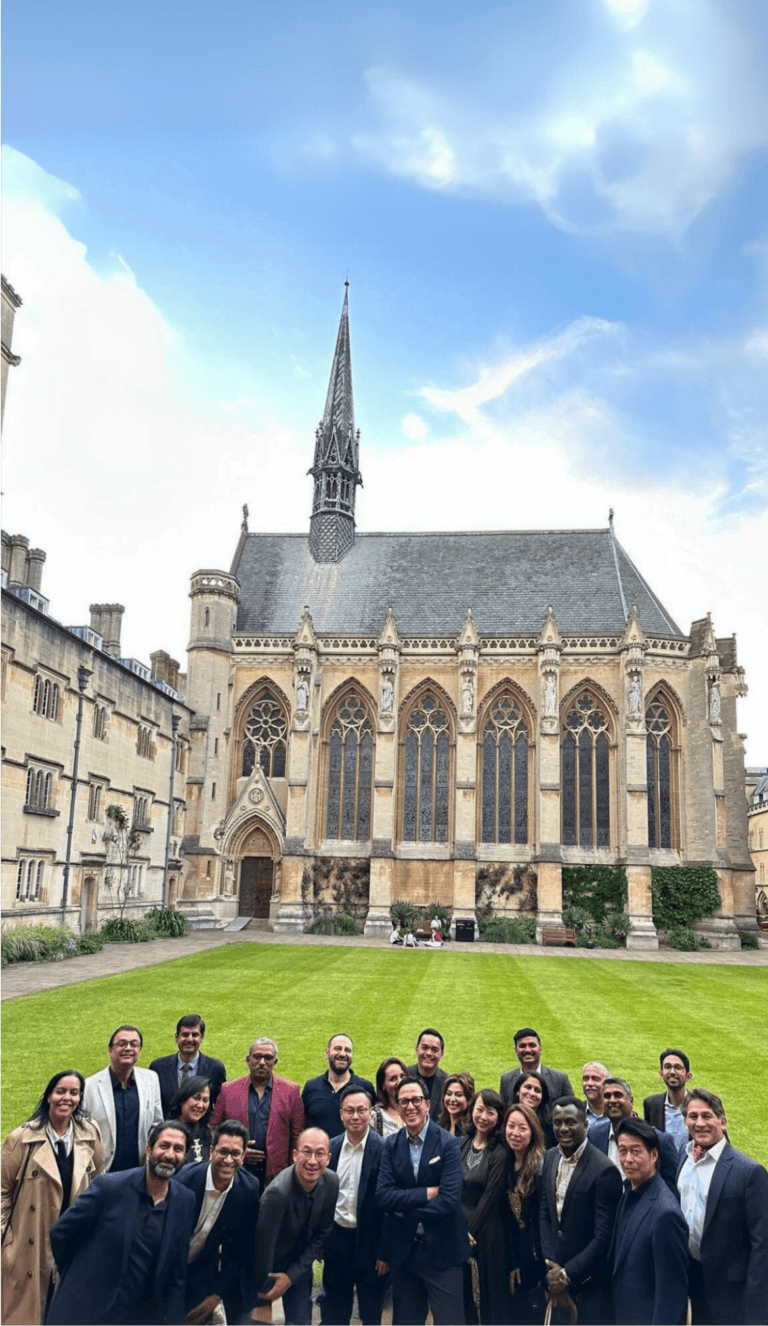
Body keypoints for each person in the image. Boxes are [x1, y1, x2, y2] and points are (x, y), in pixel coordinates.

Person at [47, 1120, 197, 1325]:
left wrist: (172, 1316)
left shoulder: (185, 1201)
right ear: (149, 1150)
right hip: (83, 1311)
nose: (170, 1155)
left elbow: (178, 1265)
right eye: (164, 1146)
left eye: (178, 1149)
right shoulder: (109, 1187)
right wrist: (76, 1276)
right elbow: (61, 1234)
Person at [1, 1070, 104, 1326]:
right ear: (48, 1096)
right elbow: (2, 1190)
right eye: (61, 1091)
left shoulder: (90, 1134)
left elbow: (98, 1183)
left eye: (74, 1093)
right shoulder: (22, 1138)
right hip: (28, 1243)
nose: (67, 1098)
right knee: (28, 1313)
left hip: (71, 1240)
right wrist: (6, 1241)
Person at [376, 1076, 470, 1326]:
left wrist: (404, 1210)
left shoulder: (448, 1143)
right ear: (397, 1107)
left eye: (416, 1100)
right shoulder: (391, 1145)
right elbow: (383, 1196)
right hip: (405, 1253)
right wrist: (426, 1193)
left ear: (427, 1104)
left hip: (444, 1251)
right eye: (403, 1101)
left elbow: (449, 1200)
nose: (410, 1106)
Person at [677, 1087, 768, 1325]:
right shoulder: (684, 1159)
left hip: (732, 1290)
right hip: (694, 1279)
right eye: (693, 1116)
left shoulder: (749, 1172)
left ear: (722, 1122)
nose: (699, 1123)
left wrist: (756, 1301)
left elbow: (762, 1243)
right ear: (685, 1122)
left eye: (707, 1116)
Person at [539, 1097, 622, 1324]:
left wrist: (567, 1274)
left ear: (585, 1125)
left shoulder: (604, 1170)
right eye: (557, 1123)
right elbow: (545, 1214)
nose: (563, 1129)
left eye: (570, 1122)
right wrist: (552, 1268)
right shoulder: (550, 1157)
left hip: (589, 1286)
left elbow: (604, 1236)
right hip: (554, 1279)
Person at [176, 1120, 260, 1325]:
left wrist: (216, 1296)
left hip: (202, 1269)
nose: (228, 1160)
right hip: (168, 1265)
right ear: (211, 1151)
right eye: (223, 1152)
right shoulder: (182, 1180)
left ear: (243, 1156)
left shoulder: (248, 1189)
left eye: (236, 1154)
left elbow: (239, 1249)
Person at [252, 1127, 339, 1326]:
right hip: (266, 1266)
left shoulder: (331, 1182)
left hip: (299, 1262)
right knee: (260, 1320)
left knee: (301, 1321)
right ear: (294, 1155)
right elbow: (262, 1250)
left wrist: (291, 1277)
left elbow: (322, 1235)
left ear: (328, 1158)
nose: (312, 1161)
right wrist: (263, 1294)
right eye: (306, 1152)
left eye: (320, 1154)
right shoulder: (277, 1194)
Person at [610, 1117, 689, 1326]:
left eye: (636, 1151)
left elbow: (671, 1294)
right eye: (622, 1151)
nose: (628, 1159)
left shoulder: (665, 1213)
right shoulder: (629, 1189)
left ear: (654, 1155)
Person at [322, 1086, 388, 1326]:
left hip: (370, 1243)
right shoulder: (331, 1148)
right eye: (349, 1111)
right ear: (341, 1114)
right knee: (335, 1311)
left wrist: (384, 1252)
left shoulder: (384, 1150)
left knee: (370, 1312)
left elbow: (389, 1207)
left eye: (361, 1110)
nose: (356, 1116)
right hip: (337, 1240)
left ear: (370, 1112)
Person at [209, 1035, 304, 1188]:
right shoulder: (229, 1090)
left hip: (276, 1176)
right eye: (257, 1057)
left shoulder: (291, 1091)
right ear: (248, 1060)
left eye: (268, 1058)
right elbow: (214, 1129)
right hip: (235, 1171)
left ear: (275, 1062)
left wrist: (292, 1172)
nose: (262, 1062)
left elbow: (298, 1137)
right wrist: (235, 1151)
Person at [83, 1024, 163, 1172]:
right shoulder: (89, 1086)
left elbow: (156, 1125)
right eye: (122, 1043)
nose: (128, 1048)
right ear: (110, 1050)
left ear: (139, 1050)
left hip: (140, 1173)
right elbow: (82, 1133)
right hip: (103, 1173)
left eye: (134, 1044)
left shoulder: (151, 1079)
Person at [459, 1089, 508, 1326]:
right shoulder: (462, 1143)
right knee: (463, 1296)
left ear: (498, 1118)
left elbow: (491, 1197)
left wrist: (469, 1232)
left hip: (486, 1234)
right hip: (458, 1229)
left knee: (487, 1298)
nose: (483, 1117)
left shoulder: (500, 1153)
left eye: (490, 1112)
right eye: (480, 1109)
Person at [591, 1077, 680, 1192]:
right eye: (607, 1096)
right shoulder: (594, 1135)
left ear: (631, 1101)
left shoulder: (661, 1140)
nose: (612, 1100)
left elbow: (672, 1188)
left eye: (618, 1095)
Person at [501, 1104, 545, 1325]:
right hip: (516, 1256)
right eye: (511, 1126)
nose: (515, 1133)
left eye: (522, 1128)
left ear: (533, 1132)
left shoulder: (541, 1167)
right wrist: (513, 1262)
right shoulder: (506, 1163)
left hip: (537, 1258)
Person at [149, 1014, 227, 1117]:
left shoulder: (215, 1069)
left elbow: (220, 1106)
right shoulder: (158, 1067)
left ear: (201, 1037)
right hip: (167, 1126)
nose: (189, 1039)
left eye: (194, 1035)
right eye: (185, 1035)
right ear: (176, 1037)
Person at [302, 1033, 375, 1139]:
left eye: (347, 1050)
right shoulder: (311, 1087)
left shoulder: (365, 1088)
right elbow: (301, 1127)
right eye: (337, 1049)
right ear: (327, 1053)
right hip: (318, 1149)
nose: (342, 1054)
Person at [499, 1029, 573, 1106]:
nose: (527, 1050)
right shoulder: (506, 1080)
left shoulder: (560, 1079)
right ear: (516, 1050)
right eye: (522, 1046)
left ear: (540, 1049)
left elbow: (572, 1108)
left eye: (532, 1045)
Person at [643, 1048, 693, 1148]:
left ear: (688, 1076)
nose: (672, 1072)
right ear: (661, 1074)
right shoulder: (652, 1105)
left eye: (678, 1067)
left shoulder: (700, 1104)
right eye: (667, 1067)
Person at [168, 1074, 213, 1166]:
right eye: (196, 1098)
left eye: (205, 1100)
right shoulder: (166, 1131)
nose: (200, 1105)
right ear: (182, 1099)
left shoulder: (209, 1133)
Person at [406, 1027, 448, 1120]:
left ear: (441, 1054)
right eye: (424, 1048)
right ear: (416, 1049)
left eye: (434, 1050)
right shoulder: (403, 1076)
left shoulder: (447, 1083)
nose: (429, 1053)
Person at [510, 1071, 554, 1149]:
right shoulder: (505, 1117)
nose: (532, 1093)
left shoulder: (549, 1126)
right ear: (518, 1091)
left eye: (537, 1090)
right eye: (528, 1087)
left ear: (542, 1097)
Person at [370, 1058, 408, 1138]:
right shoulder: (374, 1117)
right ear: (383, 1085)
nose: (400, 1081)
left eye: (402, 1076)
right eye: (393, 1079)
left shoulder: (417, 1109)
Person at [581, 1062, 611, 1130]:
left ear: (607, 1084)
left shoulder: (618, 1114)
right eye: (585, 1079)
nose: (589, 1083)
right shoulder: (576, 1112)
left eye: (595, 1079)